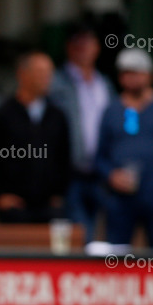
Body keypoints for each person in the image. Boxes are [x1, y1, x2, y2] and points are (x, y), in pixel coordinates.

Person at [94, 49, 153, 248]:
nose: (132, 78)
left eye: (137, 72)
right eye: (127, 73)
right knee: (117, 255)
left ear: (150, 76)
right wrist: (112, 176)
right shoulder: (112, 110)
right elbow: (100, 157)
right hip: (120, 200)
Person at [0, 52, 71, 224]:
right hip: (14, 209)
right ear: (22, 74)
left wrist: (59, 195)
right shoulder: (3, 115)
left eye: (49, 73)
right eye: (40, 73)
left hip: (49, 208)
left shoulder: (57, 116)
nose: (46, 78)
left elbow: (64, 158)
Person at [49, 24, 117, 242]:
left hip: (101, 171)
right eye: (78, 44)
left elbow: (119, 123)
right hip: (70, 171)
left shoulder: (104, 84)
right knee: (78, 234)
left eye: (88, 43)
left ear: (97, 48)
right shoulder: (56, 82)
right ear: (69, 48)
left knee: (103, 233)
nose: (84, 49)